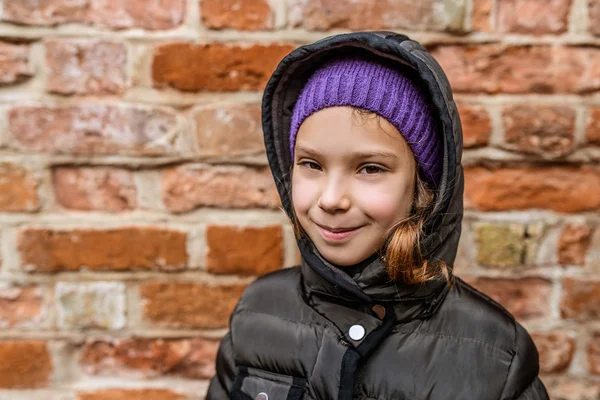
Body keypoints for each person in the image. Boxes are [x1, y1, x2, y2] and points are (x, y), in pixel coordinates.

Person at [206, 31, 549, 400]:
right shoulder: (257, 313)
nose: (332, 198)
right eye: (311, 164)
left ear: (423, 188)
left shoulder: (495, 354)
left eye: (369, 169)